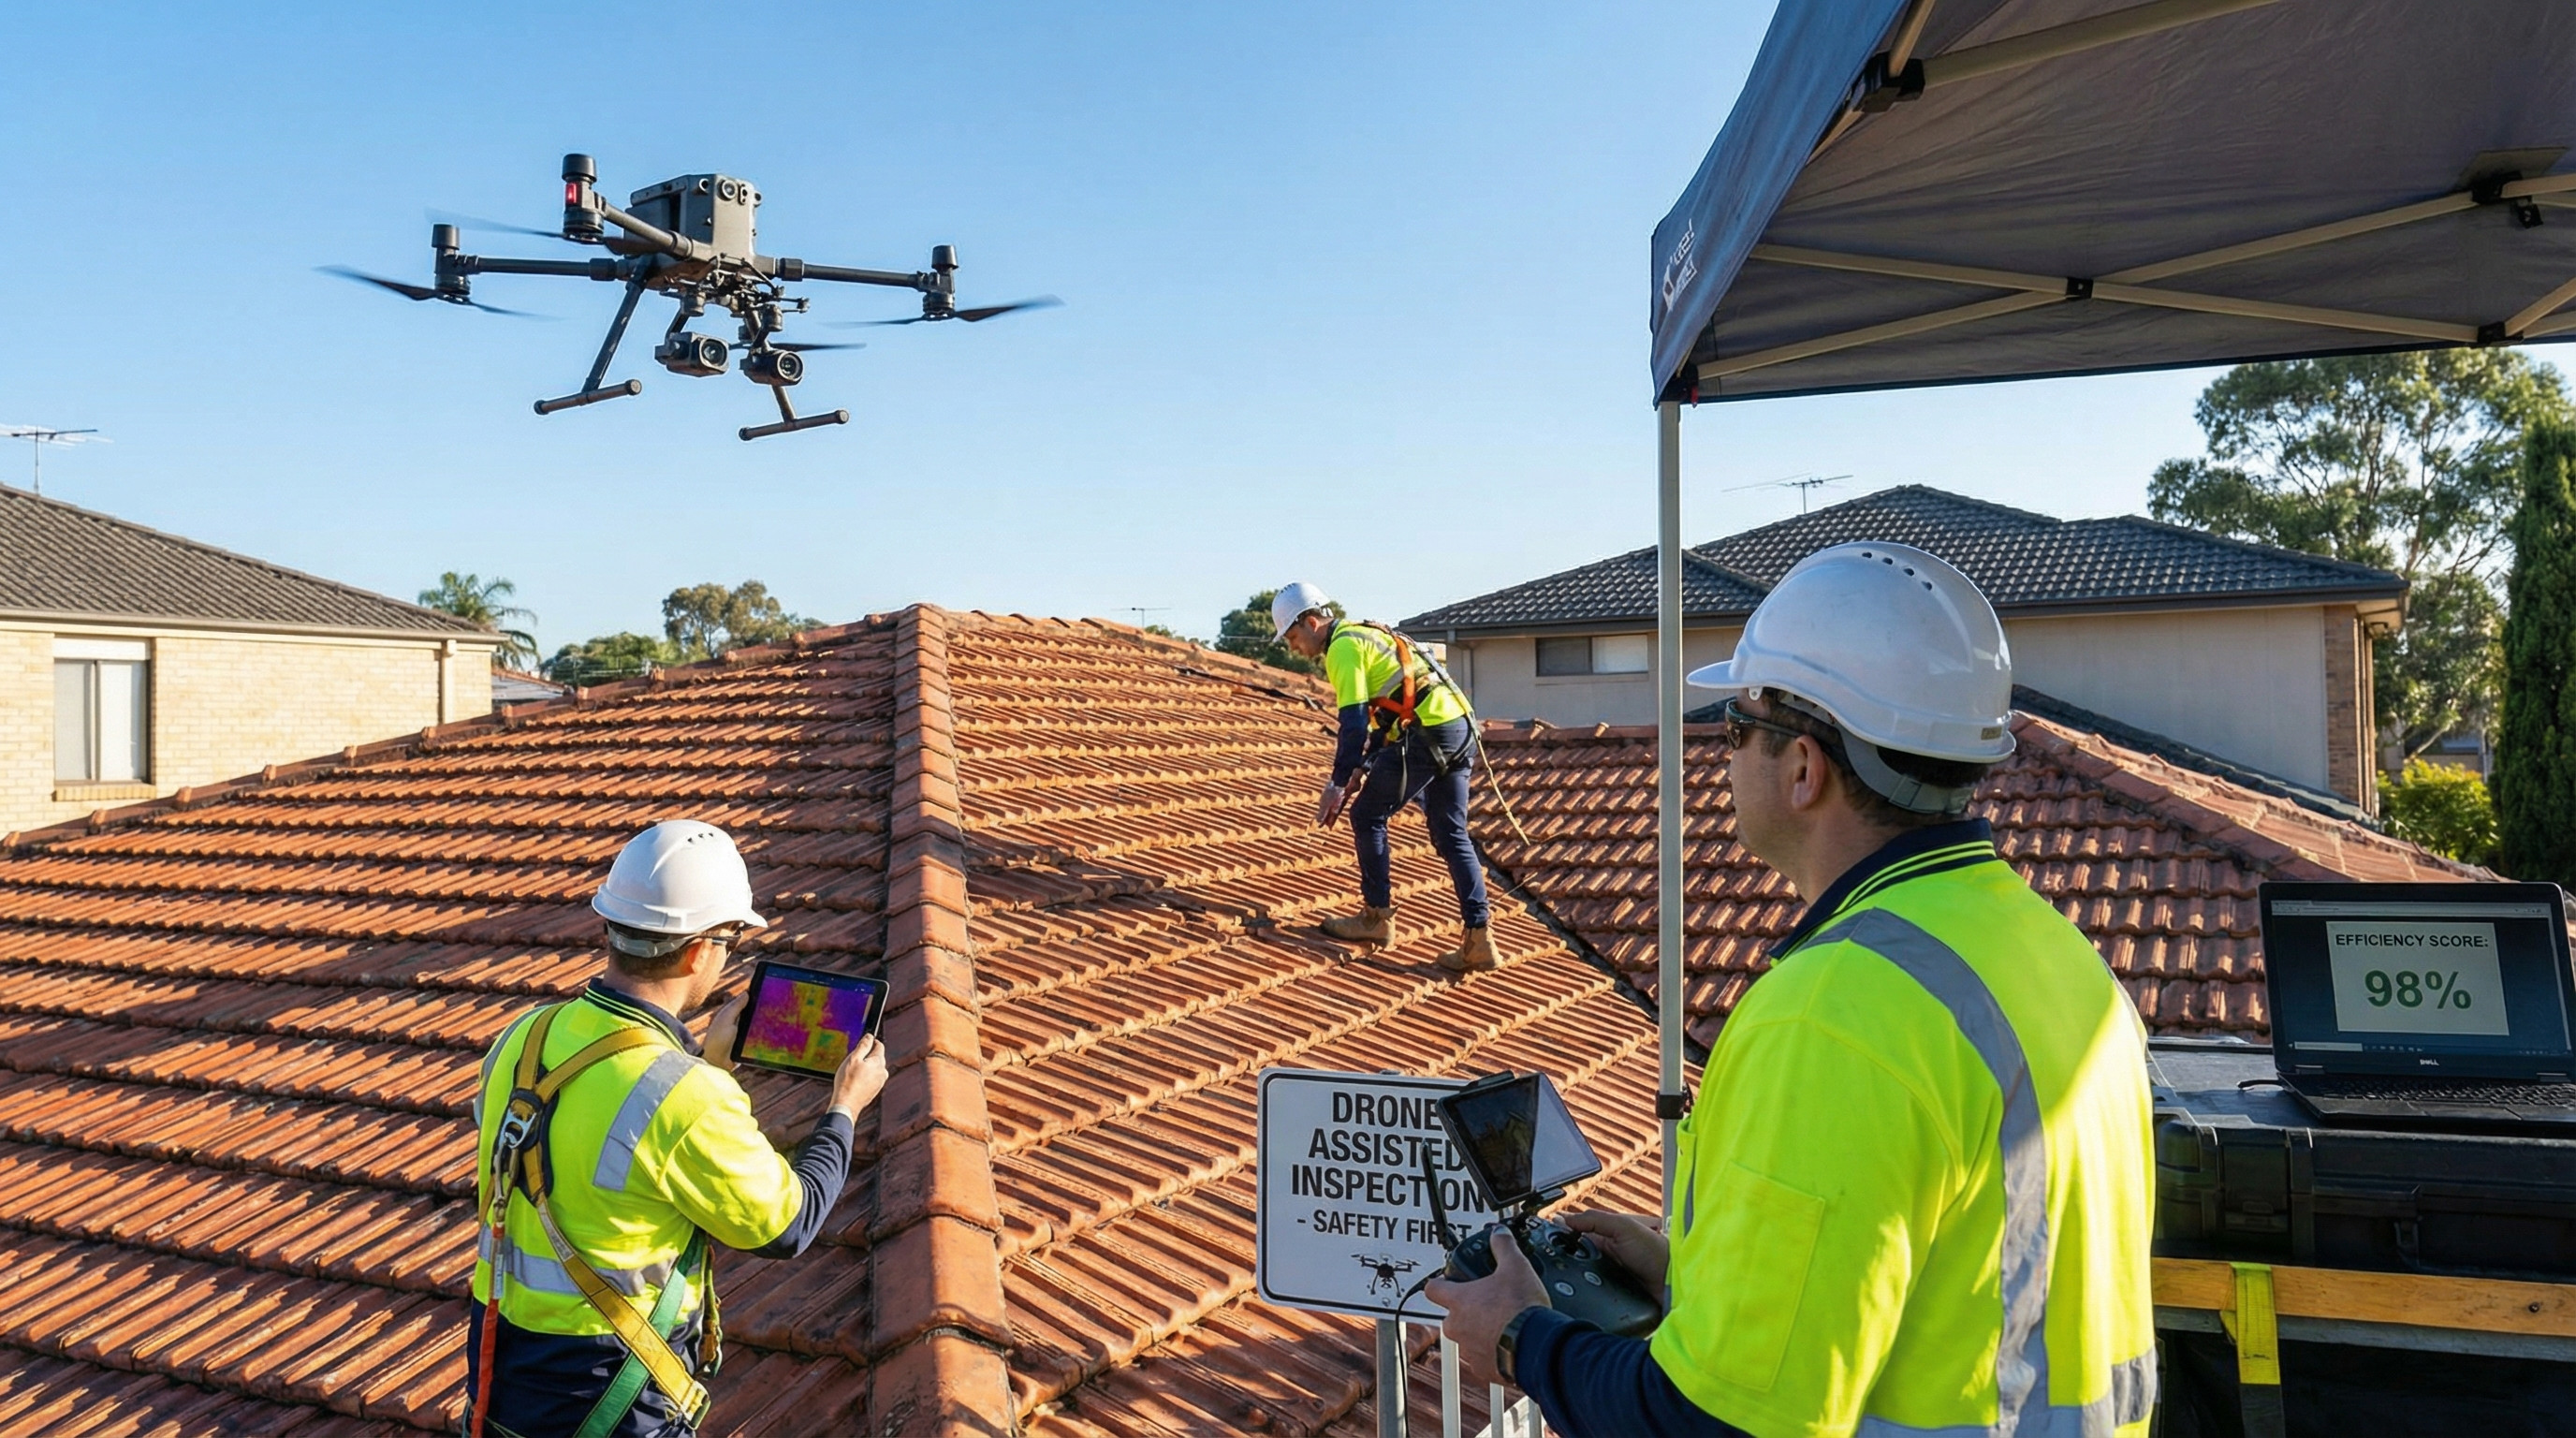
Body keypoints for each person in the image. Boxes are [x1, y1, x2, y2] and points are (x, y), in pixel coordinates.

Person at [1426, 543, 2158, 1437]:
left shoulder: (1836, 1016)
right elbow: (1959, 1277)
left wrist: (1519, 1341)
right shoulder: (2054, 957)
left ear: (1804, 768)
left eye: (1735, 728)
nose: (1723, 756)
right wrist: (1692, 1278)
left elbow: (1713, 1425)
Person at [465, 819, 888, 1438]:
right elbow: (787, 1224)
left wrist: (700, 1061)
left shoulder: (522, 1037)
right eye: (729, 942)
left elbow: (584, 1142)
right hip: (612, 1392)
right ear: (700, 950)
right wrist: (844, 1107)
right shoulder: (686, 1096)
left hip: (502, 1377)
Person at [1272, 581, 1495, 972]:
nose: (1294, 648)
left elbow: (1354, 722)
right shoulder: (1365, 632)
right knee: (1450, 832)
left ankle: (1376, 919)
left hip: (1428, 731)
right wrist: (1360, 768)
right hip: (1458, 726)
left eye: (1293, 637)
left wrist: (1337, 783)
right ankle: (1479, 940)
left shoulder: (1341, 648)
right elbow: (1388, 716)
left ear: (1311, 622)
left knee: (1366, 816)